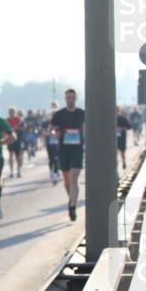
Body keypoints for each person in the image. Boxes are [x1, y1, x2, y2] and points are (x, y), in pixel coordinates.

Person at [50, 88, 85, 221]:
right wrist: (55, 134)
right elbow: (49, 130)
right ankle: (71, 199)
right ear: (65, 99)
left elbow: (88, 128)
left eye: (72, 97)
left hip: (77, 149)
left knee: (74, 178)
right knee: (67, 181)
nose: (70, 99)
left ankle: (72, 207)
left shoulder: (82, 113)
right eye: (68, 97)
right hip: (64, 150)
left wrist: (86, 138)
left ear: (76, 98)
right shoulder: (59, 114)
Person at [45, 102, 61, 184]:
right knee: (51, 158)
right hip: (50, 141)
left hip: (59, 141)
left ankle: (56, 171)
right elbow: (45, 131)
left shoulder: (61, 117)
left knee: (57, 158)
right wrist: (51, 133)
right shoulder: (47, 119)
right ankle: (52, 171)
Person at [6, 106, 24, 178]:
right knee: (10, 155)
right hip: (10, 139)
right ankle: (11, 171)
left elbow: (24, 128)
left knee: (18, 156)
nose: (11, 113)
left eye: (13, 112)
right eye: (10, 112)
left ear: (15, 112)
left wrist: (17, 128)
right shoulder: (6, 120)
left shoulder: (19, 120)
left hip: (18, 140)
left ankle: (18, 170)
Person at [116, 106, 133, 171]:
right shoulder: (123, 118)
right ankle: (122, 163)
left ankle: (123, 162)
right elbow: (129, 127)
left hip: (120, 138)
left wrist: (121, 129)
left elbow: (129, 127)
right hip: (121, 138)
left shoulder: (122, 118)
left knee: (120, 153)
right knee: (121, 152)